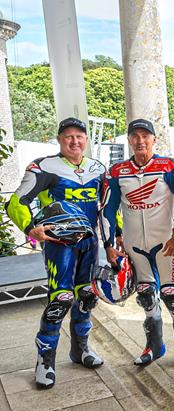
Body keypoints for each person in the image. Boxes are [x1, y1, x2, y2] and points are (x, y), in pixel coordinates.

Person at [6, 117, 107, 388]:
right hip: (59, 246)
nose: (74, 141)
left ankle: (80, 349)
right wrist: (31, 227)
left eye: (79, 136)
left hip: (89, 243)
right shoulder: (43, 167)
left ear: (86, 140)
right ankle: (45, 360)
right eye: (68, 136)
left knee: (86, 296)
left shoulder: (97, 168)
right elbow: (16, 201)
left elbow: (107, 209)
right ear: (60, 139)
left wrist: (113, 242)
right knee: (60, 300)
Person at [101, 119, 174, 368]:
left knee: (172, 294)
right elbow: (107, 210)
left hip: (166, 243)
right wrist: (110, 242)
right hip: (134, 244)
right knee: (145, 295)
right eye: (135, 136)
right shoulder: (117, 171)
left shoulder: (170, 166)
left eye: (145, 136)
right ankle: (155, 346)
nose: (140, 141)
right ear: (129, 140)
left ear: (154, 139)